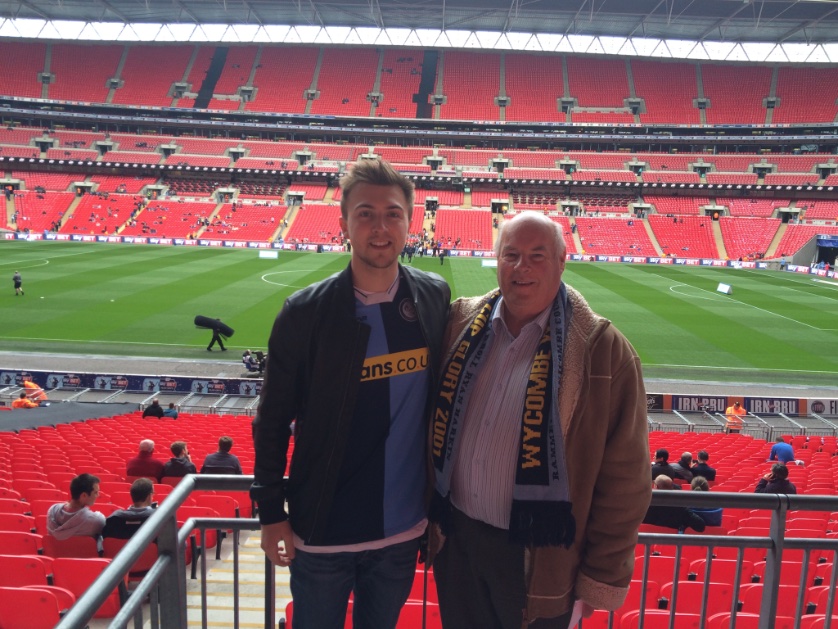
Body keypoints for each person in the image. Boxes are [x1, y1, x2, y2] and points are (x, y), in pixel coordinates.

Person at [251, 157, 450, 629]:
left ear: (409, 222)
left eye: (392, 214)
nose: (380, 227)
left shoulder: (433, 297)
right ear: (343, 223)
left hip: (402, 532)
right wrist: (270, 513)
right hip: (321, 533)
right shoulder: (303, 313)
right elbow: (272, 418)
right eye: (365, 213)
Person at [428, 211, 651, 628]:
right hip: (457, 543)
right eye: (510, 254)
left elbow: (626, 481)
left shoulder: (603, 351)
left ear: (563, 262)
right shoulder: (460, 324)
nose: (521, 267)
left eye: (537, 255)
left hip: (540, 561)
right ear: (496, 259)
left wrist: (598, 577)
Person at [46, 473, 106, 540]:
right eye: (95, 492)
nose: (98, 495)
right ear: (84, 495)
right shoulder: (96, 521)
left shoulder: (52, 511)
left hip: (55, 550)